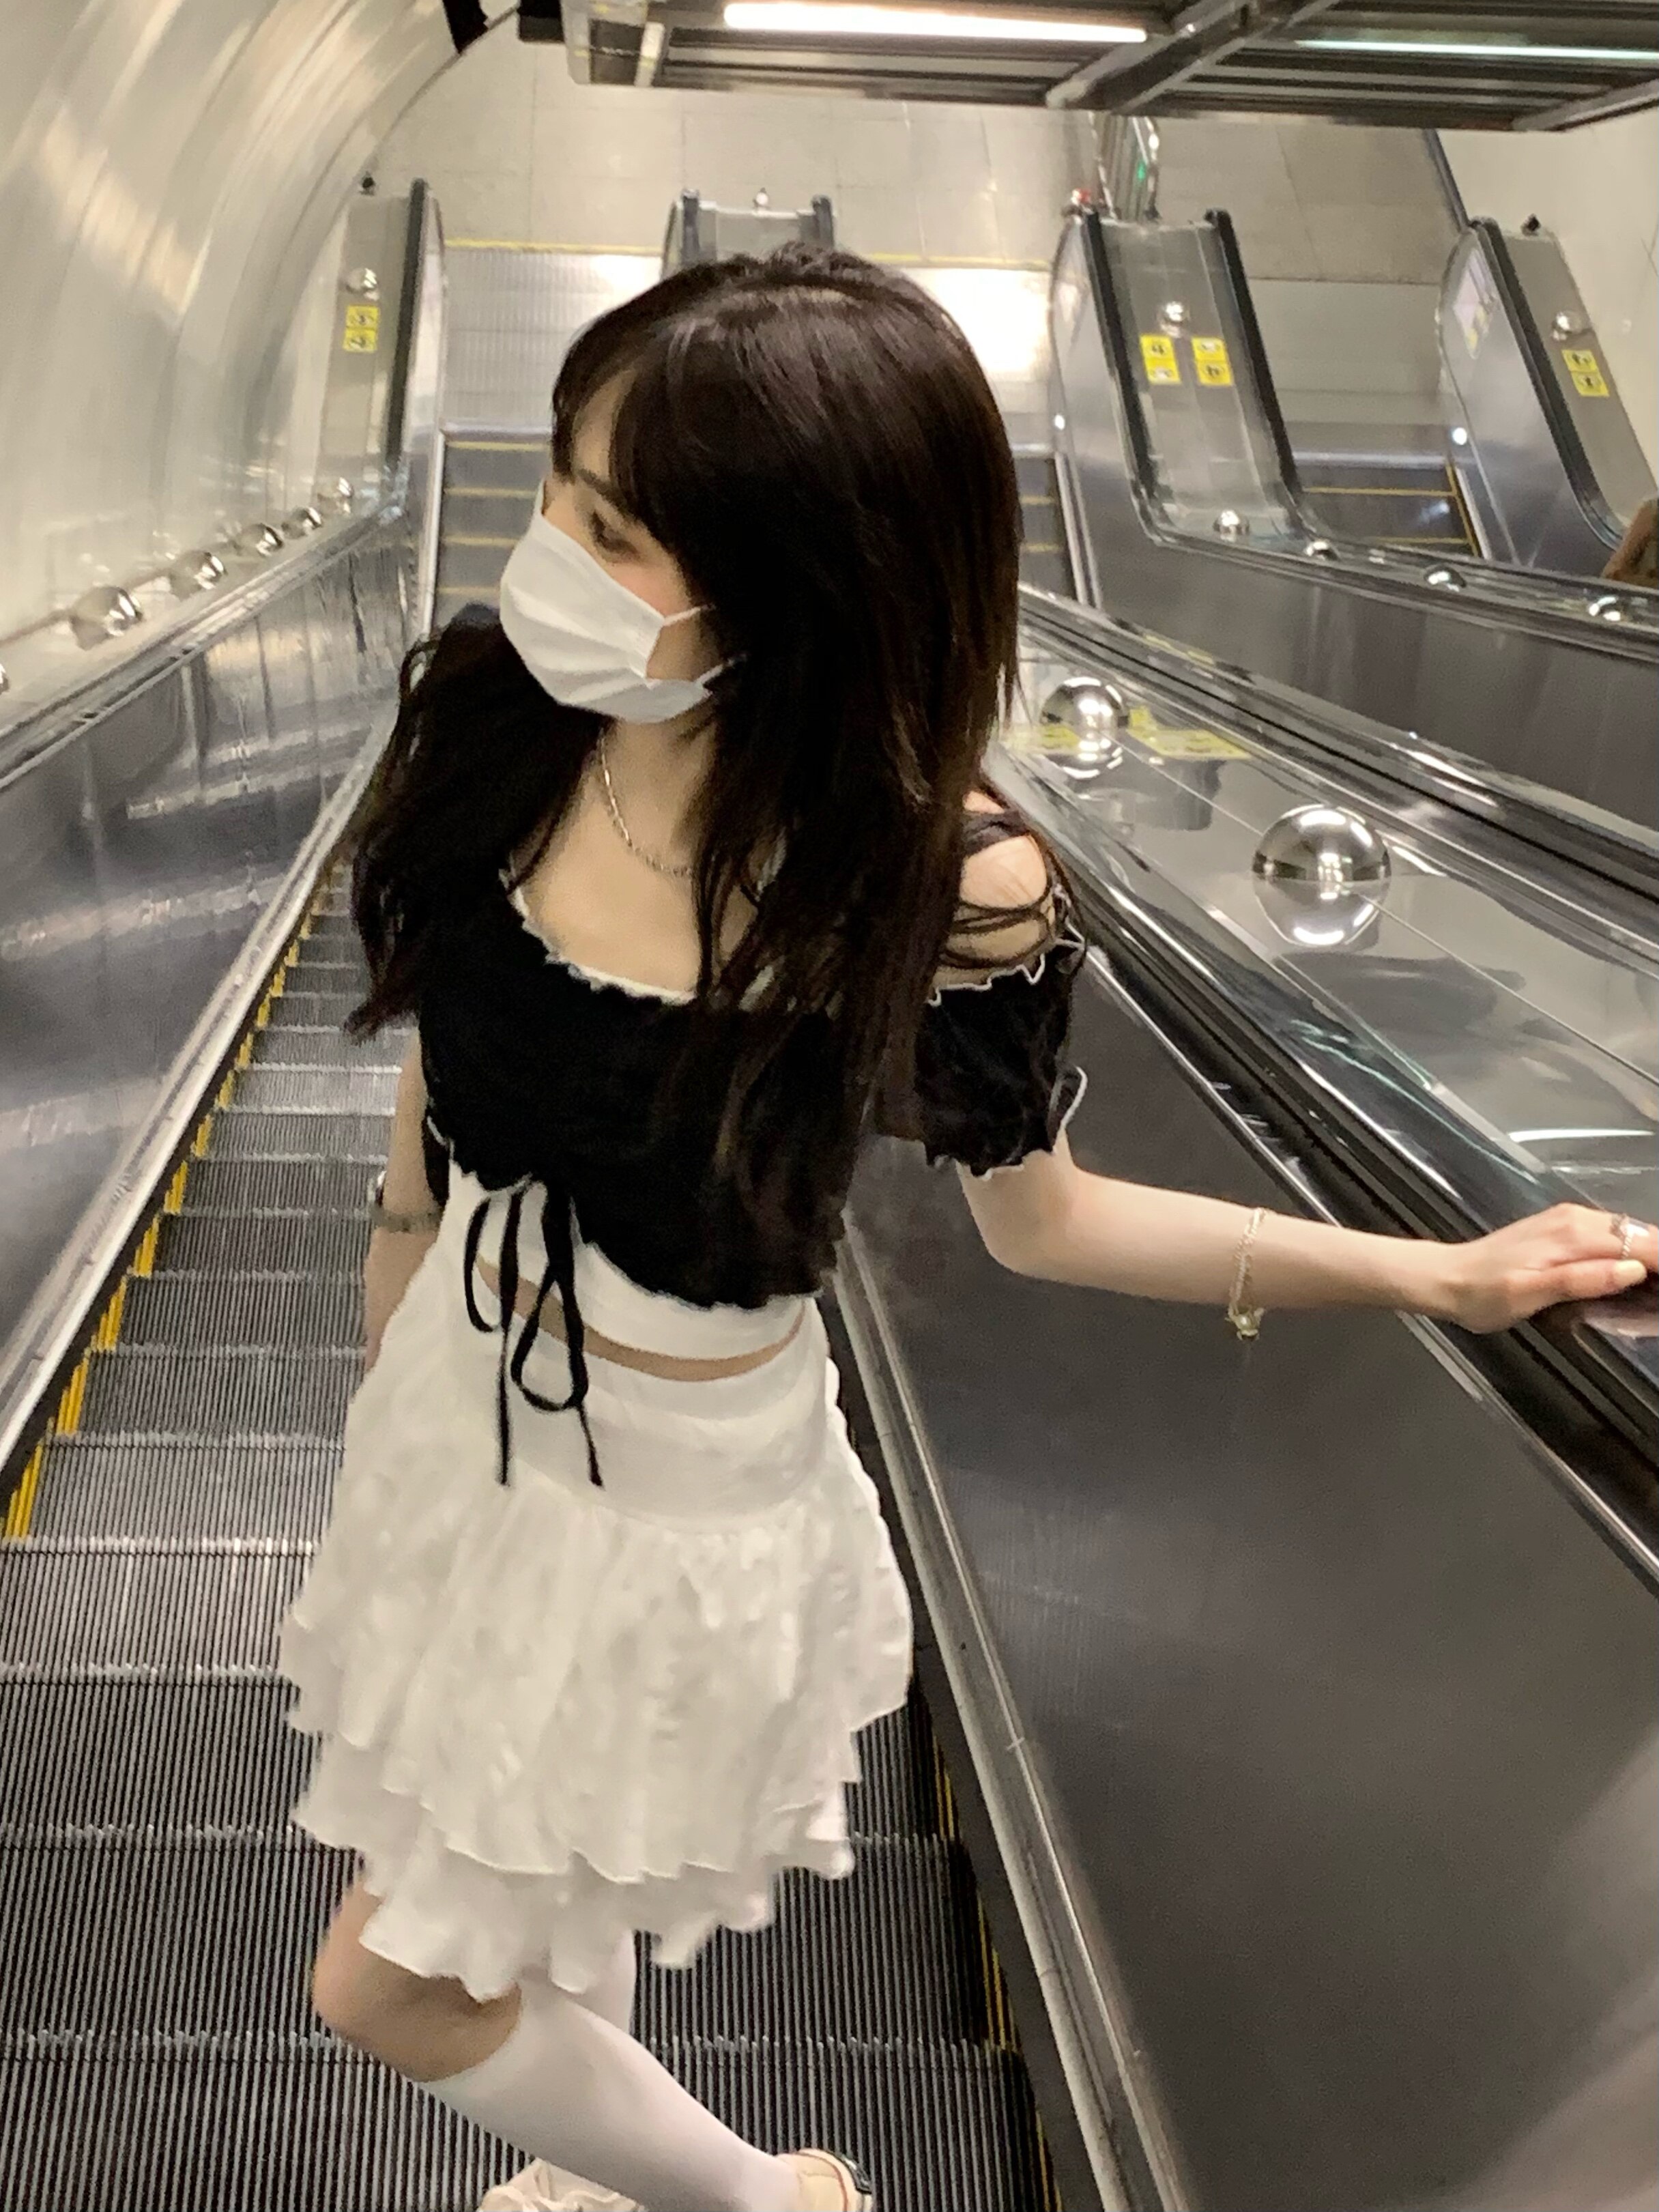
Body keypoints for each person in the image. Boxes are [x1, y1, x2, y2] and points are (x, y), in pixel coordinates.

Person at [276, 246, 1658, 2212]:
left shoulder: (937, 889)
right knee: (528, 1866)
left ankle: (764, 2201)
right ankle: (602, 2167)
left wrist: (1433, 1268)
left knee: (386, 1983)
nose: (548, 556)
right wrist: (396, 1300)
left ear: (798, 585)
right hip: (457, 1405)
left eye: (615, 530)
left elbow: (1048, 1220)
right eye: (560, 490)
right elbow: (441, 1064)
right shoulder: (512, 722)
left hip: (674, 1505)